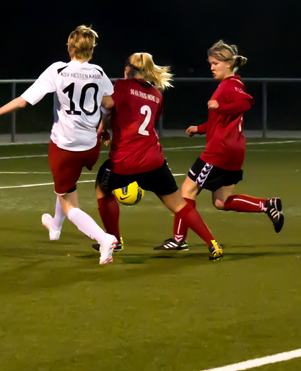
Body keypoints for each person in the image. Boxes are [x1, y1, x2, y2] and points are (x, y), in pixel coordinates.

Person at [0, 25, 118, 265]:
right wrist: (104, 126)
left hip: (65, 147)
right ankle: (54, 227)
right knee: (65, 186)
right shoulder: (98, 72)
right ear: (91, 51)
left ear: (69, 47)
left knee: (69, 203)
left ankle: (104, 238)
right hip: (90, 146)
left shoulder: (58, 70)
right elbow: (110, 103)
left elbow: (23, 102)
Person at [94, 53, 224, 261]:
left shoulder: (122, 86)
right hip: (154, 160)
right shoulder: (157, 94)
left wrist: (91, 91)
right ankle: (213, 243)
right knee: (178, 204)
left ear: (129, 68)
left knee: (102, 188)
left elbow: (108, 105)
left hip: (125, 161)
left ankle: (114, 240)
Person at [155, 41, 283, 251]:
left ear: (229, 63)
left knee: (186, 191)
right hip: (234, 152)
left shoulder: (230, 84)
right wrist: (200, 128)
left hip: (219, 152)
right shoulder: (229, 85)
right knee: (221, 202)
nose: (212, 67)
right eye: (211, 64)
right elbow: (221, 121)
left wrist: (220, 105)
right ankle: (267, 205)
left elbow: (246, 103)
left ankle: (178, 239)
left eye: (215, 63)